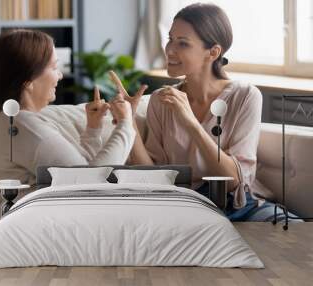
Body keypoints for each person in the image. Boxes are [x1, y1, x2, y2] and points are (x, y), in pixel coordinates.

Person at [111, 3, 283, 221]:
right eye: (170, 39)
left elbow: (233, 181)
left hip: (240, 206)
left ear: (213, 52)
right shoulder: (161, 100)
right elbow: (154, 178)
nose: (170, 50)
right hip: (186, 208)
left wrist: (190, 122)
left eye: (183, 43)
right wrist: (129, 123)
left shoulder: (245, 96)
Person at [0, 29, 135, 220]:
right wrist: (125, 124)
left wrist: (93, 129)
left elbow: (79, 170)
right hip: (36, 236)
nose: (60, 76)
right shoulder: (22, 127)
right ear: (28, 81)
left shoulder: (9, 121)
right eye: (54, 67)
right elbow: (93, 184)